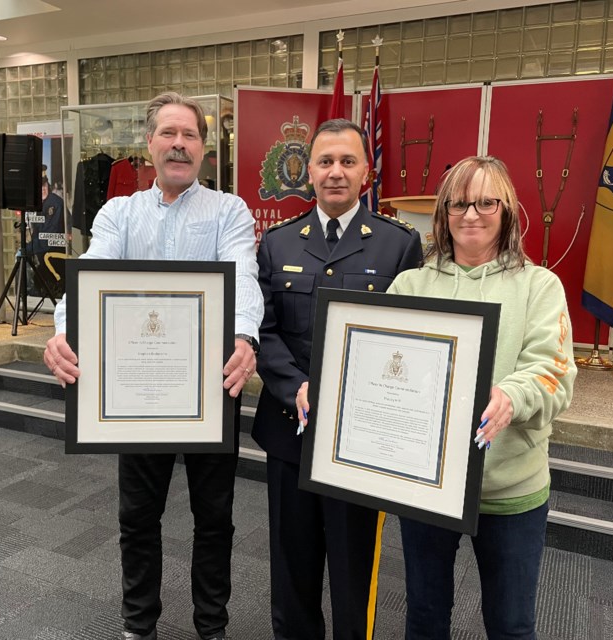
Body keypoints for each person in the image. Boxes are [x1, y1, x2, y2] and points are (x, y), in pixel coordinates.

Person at [44, 92, 263, 640]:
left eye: (189, 135)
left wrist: (242, 334)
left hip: (210, 389)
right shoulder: (119, 213)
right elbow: (89, 276)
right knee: (137, 518)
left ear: (204, 148)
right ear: (150, 144)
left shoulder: (229, 211)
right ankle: (138, 625)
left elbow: (243, 278)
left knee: (215, 520)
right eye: (168, 133)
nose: (179, 144)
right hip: (138, 392)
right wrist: (62, 332)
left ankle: (211, 626)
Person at [385, 155, 576, 640]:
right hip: (426, 485)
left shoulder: (540, 286)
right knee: (425, 619)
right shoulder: (410, 285)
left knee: (510, 625)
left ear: (507, 209)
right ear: (442, 214)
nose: (471, 214)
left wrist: (512, 396)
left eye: (486, 202)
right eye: (459, 203)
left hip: (509, 487)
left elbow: (554, 372)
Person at [253, 118, 424, 640]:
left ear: (366, 173)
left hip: (361, 439)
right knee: (291, 569)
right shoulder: (277, 245)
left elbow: (408, 342)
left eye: (347, 162)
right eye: (325, 162)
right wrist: (294, 386)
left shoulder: (398, 246)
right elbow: (265, 329)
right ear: (309, 173)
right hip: (291, 431)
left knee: (355, 573)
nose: (335, 172)